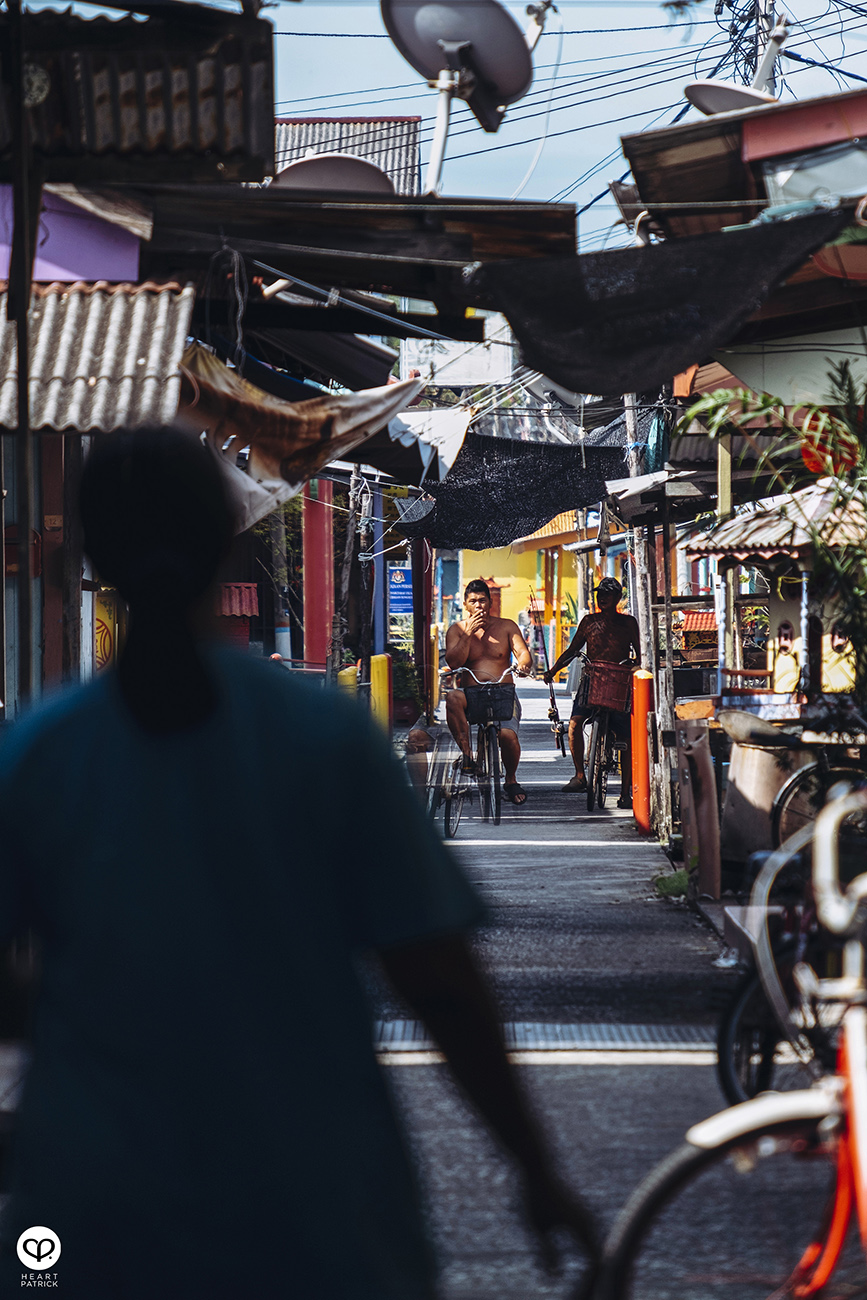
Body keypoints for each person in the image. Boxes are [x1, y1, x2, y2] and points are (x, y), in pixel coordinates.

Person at [0, 429, 597, 1299]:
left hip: (90, 1211)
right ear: (224, 544)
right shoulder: (321, 741)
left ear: (92, 560)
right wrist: (533, 1169)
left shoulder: (40, 756)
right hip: (313, 1203)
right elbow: (437, 979)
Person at [545, 576, 640, 807]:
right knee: (575, 723)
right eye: (600, 593)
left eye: (608, 594)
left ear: (618, 598)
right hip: (593, 680)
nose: (602, 597)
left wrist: (638, 667)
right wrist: (553, 670)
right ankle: (580, 776)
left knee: (626, 738)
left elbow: (640, 652)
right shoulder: (589, 621)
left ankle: (625, 793)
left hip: (618, 682)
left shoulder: (628, 623)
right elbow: (573, 650)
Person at [444, 579, 533, 806]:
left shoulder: (506, 626)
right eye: (473, 601)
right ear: (465, 605)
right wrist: (469, 633)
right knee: (452, 697)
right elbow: (454, 662)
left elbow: (523, 653)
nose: (479, 606)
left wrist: (523, 665)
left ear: (490, 602)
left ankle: (511, 780)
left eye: (483, 600)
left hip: (503, 692)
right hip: (472, 694)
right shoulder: (456, 630)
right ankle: (467, 756)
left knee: (507, 736)